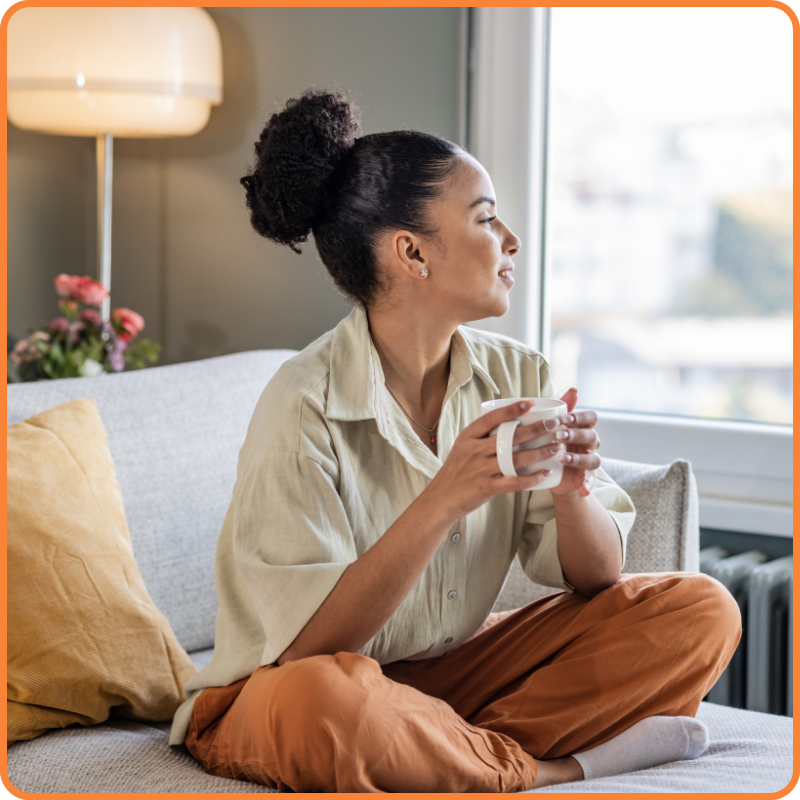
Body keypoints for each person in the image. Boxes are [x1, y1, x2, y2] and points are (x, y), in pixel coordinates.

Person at [169, 88, 741, 792]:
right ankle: (543, 769)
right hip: (282, 691)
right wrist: (444, 498)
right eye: (486, 219)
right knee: (330, 702)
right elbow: (307, 650)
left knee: (702, 609)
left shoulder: (516, 373)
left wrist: (572, 491)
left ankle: (436, 751)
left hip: (447, 680)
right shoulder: (302, 403)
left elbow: (596, 579)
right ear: (411, 252)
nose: (511, 242)